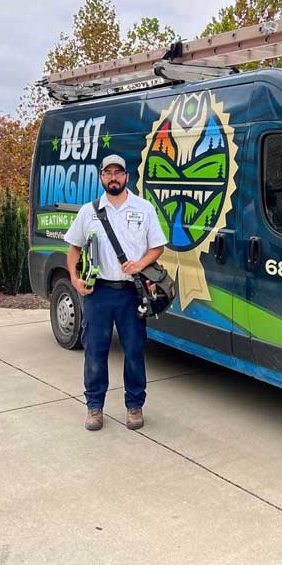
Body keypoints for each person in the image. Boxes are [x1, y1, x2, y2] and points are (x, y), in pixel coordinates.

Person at [64, 154, 167, 431]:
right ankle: (94, 407)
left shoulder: (144, 209)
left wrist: (140, 264)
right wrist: (74, 278)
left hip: (131, 292)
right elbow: (73, 247)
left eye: (117, 172)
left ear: (126, 177)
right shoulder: (89, 211)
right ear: (101, 177)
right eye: (107, 172)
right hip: (98, 293)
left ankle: (135, 405)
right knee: (95, 351)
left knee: (134, 351)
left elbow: (157, 246)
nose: (113, 177)